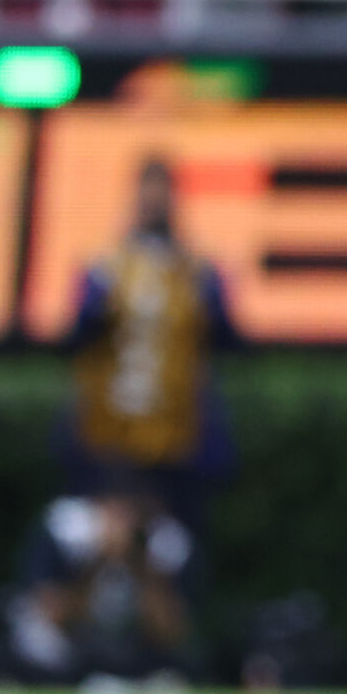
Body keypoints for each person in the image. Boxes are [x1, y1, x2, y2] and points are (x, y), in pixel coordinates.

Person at [65, 158, 237, 530]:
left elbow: (230, 339)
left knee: (173, 549)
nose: (155, 202)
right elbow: (74, 338)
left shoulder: (199, 271)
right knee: (105, 545)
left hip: (180, 440)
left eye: (164, 192)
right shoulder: (105, 267)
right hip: (110, 437)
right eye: (148, 192)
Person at [0, 487, 193, 685]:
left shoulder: (160, 548)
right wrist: (97, 562)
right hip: (76, 653)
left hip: (131, 652)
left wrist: (139, 565)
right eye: (115, 517)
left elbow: (170, 632)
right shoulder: (67, 537)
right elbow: (50, 614)